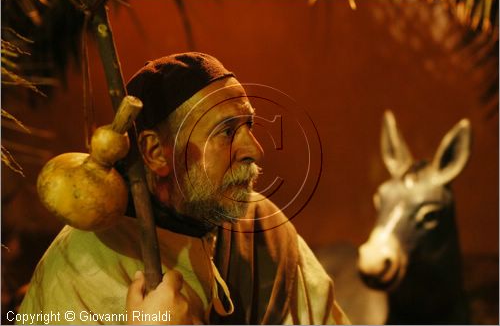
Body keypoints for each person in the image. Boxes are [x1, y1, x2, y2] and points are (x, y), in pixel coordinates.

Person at [18, 52, 349, 325]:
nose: (255, 150)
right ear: (155, 152)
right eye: (227, 131)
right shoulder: (83, 262)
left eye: (248, 124)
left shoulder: (262, 226)